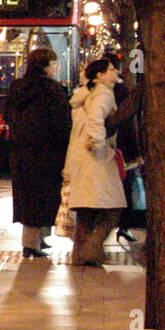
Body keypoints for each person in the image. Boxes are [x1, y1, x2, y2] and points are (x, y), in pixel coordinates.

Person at [3, 48, 72, 257]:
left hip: (20, 152)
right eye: (54, 64)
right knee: (43, 198)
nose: (56, 68)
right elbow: (63, 124)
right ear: (45, 66)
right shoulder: (52, 89)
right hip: (47, 154)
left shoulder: (17, 87)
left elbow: (7, 114)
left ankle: (36, 241)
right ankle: (32, 245)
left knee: (28, 198)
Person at [63, 58, 127, 267]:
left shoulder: (85, 95)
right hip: (97, 158)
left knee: (86, 211)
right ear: (99, 76)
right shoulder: (103, 94)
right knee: (112, 209)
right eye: (110, 69)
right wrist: (98, 142)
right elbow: (96, 120)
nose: (115, 71)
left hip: (82, 158)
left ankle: (80, 255)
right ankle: (91, 251)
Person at [102, 50, 145, 243]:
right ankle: (123, 225)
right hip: (121, 149)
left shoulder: (95, 91)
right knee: (124, 187)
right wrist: (135, 152)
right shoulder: (121, 92)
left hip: (106, 148)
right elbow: (129, 124)